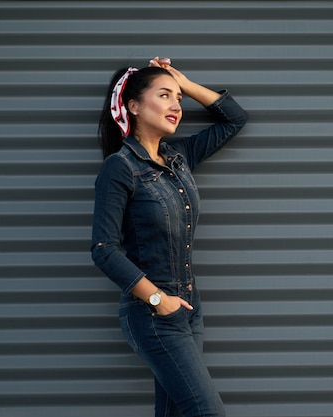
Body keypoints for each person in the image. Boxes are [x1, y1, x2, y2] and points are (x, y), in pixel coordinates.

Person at [91, 57, 248, 417]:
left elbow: (235, 118)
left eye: (179, 98)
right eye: (165, 95)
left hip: (190, 309)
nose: (177, 105)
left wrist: (182, 81)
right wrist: (159, 299)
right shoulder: (120, 167)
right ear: (133, 105)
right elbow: (103, 249)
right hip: (154, 312)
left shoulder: (178, 159)